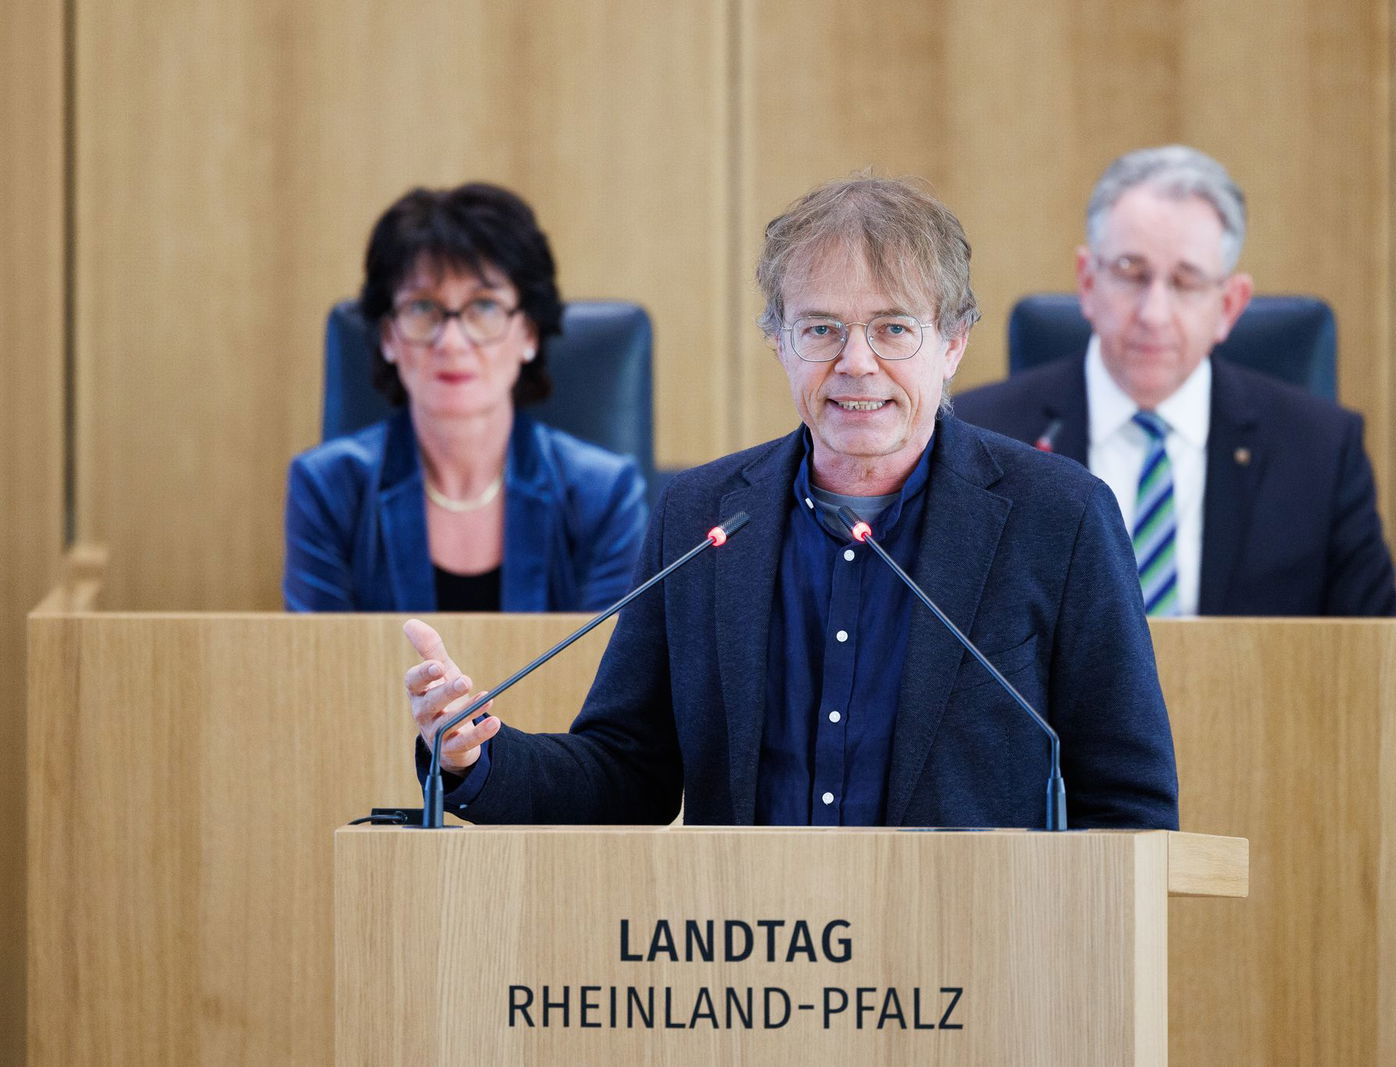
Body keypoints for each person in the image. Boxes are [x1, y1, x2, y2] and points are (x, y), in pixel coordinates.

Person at [404, 175, 1178, 830]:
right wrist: (479, 756)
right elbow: (628, 772)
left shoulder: (1059, 518)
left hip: (972, 953)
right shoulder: (701, 515)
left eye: (893, 328)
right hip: (750, 952)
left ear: (952, 342)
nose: (856, 363)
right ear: (778, 341)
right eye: (821, 329)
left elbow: (1128, 805)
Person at [955, 146, 1396, 617]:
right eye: (1130, 273)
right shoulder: (977, 436)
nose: (1154, 314)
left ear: (1229, 305)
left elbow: (1376, 646)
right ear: (1087, 282)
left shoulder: (1320, 451)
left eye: (1186, 283)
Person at [283, 183, 647, 612]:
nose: (452, 342)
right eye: (422, 308)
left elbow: (615, 653)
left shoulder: (604, 494)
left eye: (484, 306)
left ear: (529, 333)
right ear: (387, 336)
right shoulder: (327, 488)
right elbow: (320, 654)